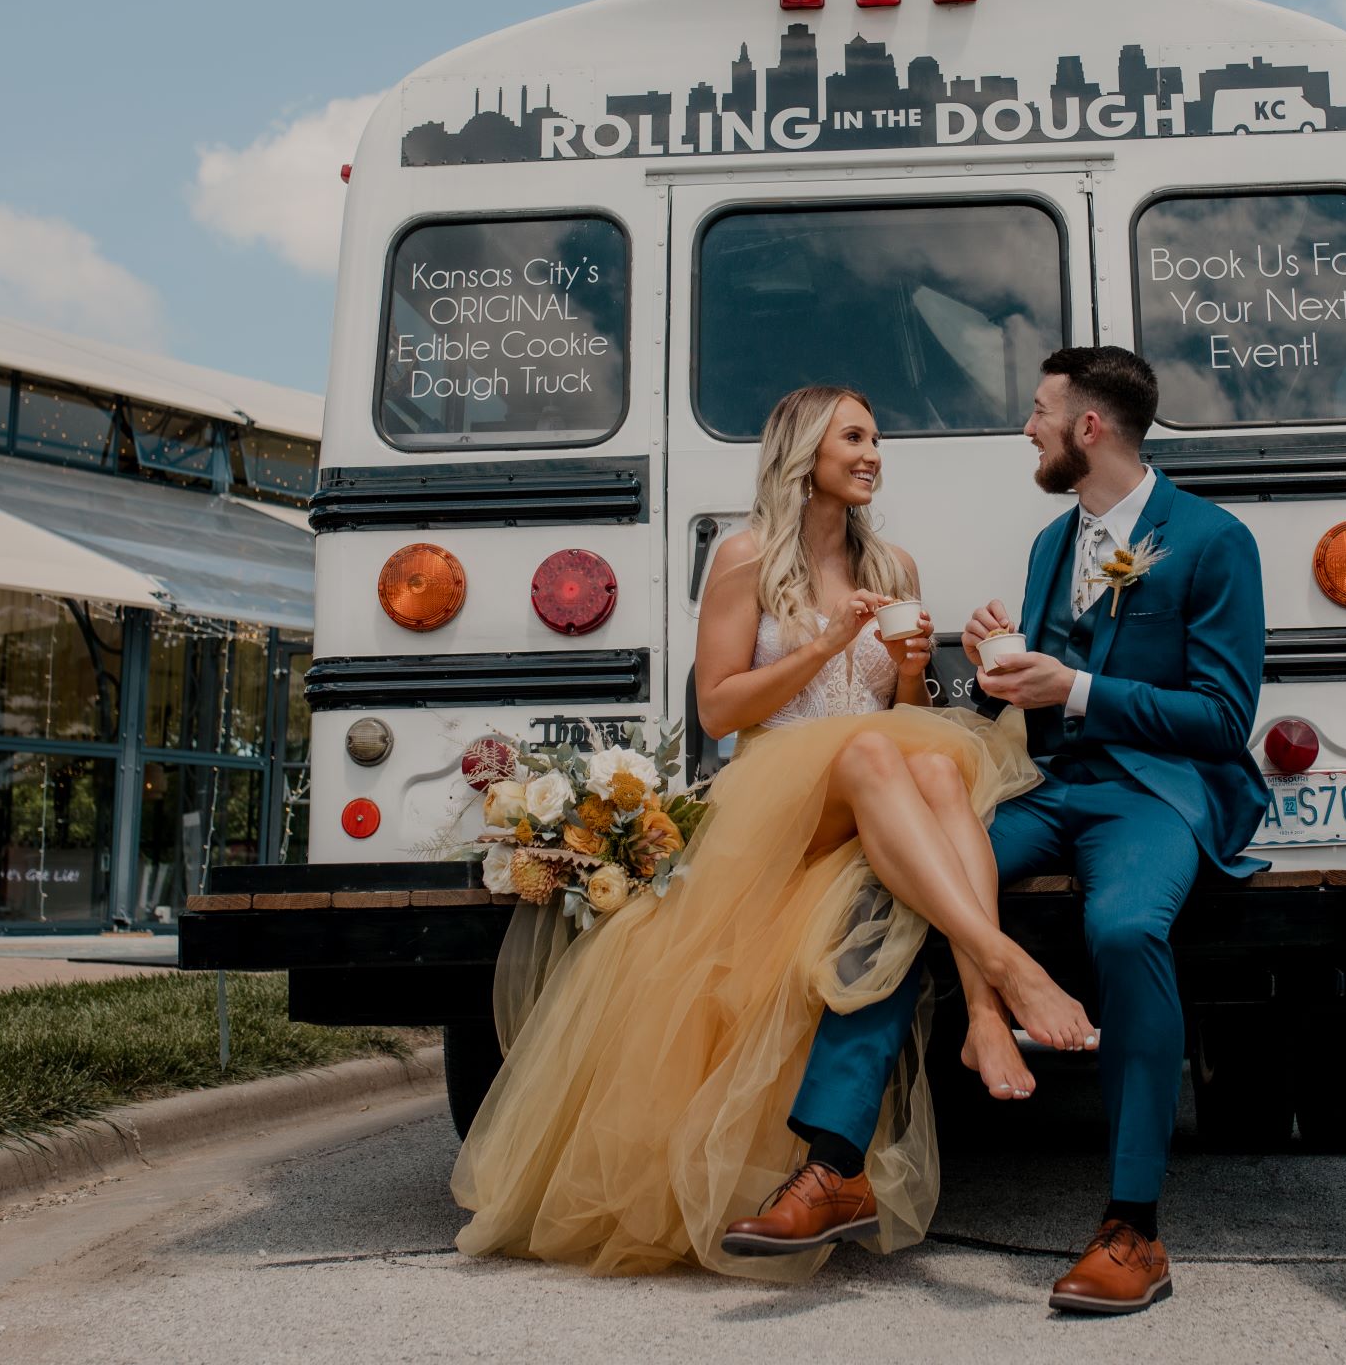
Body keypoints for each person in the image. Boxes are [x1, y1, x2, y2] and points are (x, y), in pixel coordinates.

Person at [451, 384, 1089, 1280]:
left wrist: (909, 672)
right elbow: (718, 707)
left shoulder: (893, 567)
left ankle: (986, 1014)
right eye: (855, 438)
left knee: (938, 762)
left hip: (874, 785)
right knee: (881, 754)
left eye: (876, 439)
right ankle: (1005, 964)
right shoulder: (747, 559)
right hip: (776, 793)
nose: (873, 454)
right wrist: (824, 646)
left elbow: (901, 716)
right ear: (804, 454)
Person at [740, 345, 1269, 1315]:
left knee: (1124, 931)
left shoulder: (1212, 539)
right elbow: (1040, 706)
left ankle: (1133, 1227)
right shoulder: (1047, 547)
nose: (1026, 426)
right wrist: (1000, 666)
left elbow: (1223, 717)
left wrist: (1077, 686)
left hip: (1158, 793)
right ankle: (833, 1164)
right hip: (1048, 784)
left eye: (1039, 411)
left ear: (1089, 427)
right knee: (893, 881)